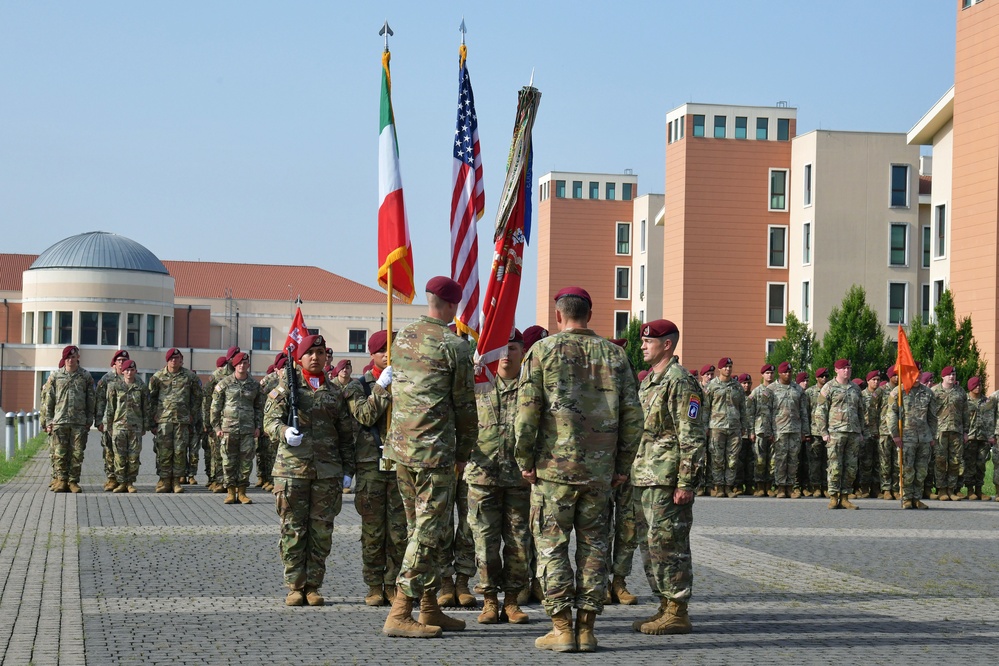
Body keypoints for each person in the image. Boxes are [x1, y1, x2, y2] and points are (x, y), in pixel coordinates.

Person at [515, 286, 642, 653]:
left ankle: (561, 628)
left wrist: (524, 461)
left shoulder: (542, 351)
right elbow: (634, 417)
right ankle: (586, 629)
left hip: (553, 472)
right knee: (594, 548)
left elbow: (526, 416)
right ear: (590, 313)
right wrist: (621, 466)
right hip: (599, 473)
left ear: (558, 316)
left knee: (552, 548)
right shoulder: (616, 356)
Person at [381, 276, 477, 639]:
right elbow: (465, 406)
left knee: (419, 531)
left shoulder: (403, 336)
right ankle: (400, 611)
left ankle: (429, 608)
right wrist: (465, 451)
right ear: (452, 306)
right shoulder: (455, 345)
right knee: (428, 532)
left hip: (402, 450)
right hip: (434, 452)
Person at [264, 334, 354, 606]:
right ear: (298, 358)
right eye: (309, 353)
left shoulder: (335, 392)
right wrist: (283, 432)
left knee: (321, 531)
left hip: (327, 473)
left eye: (320, 352)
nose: (315, 357)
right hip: (292, 471)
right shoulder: (285, 387)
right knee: (292, 530)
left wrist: (348, 468)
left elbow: (345, 432)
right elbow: (269, 421)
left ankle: (313, 585)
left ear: (327, 357)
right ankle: (294, 585)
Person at [630, 319, 705, 636]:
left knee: (670, 546)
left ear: (668, 344)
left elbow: (693, 436)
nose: (644, 345)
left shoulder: (681, 382)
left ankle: (678, 610)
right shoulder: (649, 381)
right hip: (645, 477)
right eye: (644, 341)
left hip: (667, 479)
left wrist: (686, 483)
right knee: (650, 546)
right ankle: (664, 604)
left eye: (650, 341)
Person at [466, 328, 531, 625]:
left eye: (513, 349)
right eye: (501, 350)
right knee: (485, 542)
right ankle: (489, 600)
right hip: (482, 476)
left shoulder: (532, 388)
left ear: (523, 353)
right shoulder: (479, 385)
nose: (506, 355)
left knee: (518, 543)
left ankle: (513, 601)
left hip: (520, 478)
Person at [342, 330, 407, 607]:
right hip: (370, 467)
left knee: (399, 531)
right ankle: (373, 585)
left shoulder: (404, 382)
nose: (387, 355)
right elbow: (366, 415)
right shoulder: (358, 387)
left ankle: (393, 584)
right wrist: (381, 386)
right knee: (372, 532)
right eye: (382, 350)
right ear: (372, 354)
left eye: (392, 349)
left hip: (400, 465)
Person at [212, 351, 265, 505]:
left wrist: (258, 426)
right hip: (228, 429)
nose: (242, 365)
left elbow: (259, 408)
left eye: (245, 363)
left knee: (246, 462)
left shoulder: (254, 385)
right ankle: (230, 492)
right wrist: (216, 427)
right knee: (228, 461)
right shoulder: (224, 384)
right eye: (239, 363)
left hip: (248, 430)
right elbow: (215, 407)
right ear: (234, 365)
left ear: (248, 365)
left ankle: (242, 492)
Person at [148, 348, 203, 494]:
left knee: (179, 451)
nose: (174, 360)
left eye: (177, 358)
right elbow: (150, 400)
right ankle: (165, 480)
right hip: (164, 420)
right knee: (164, 452)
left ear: (181, 359)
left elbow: (198, 397)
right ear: (167, 360)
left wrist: (192, 414)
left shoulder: (190, 377)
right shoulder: (158, 377)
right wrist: (152, 421)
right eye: (171, 358)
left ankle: (177, 481)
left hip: (182, 420)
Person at [42, 345, 96, 493]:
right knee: (60, 453)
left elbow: (91, 400)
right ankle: (61, 480)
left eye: (73, 357)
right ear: (64, 359)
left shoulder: (85, 376)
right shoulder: (56, 376)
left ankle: (73, 481)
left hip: (79, 421)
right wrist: (48, 420)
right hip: (60, 421)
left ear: (78, 357)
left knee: (77, 453)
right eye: (68, 357)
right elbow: (49, 400)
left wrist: (89, 419)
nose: (70, 360)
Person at [815, 359, 866, 509]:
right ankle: (833, 496)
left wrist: (861, 431)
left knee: (851, 467)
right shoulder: (828, 387)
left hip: (853, 432)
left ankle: (845, 497)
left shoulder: (855, 388)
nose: (846, 371)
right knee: (835, 466)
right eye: (843, 368)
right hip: (835, 433)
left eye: (849, 368)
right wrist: (823, 432)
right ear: (836, 370)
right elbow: (820, 411)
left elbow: (861, 412)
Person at [886, 373, 938, 509]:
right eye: (913, 373)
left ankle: (917, 498)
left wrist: (932, 435)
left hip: (924, 437)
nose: (916, 377)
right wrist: (896, 435)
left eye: (918, 374)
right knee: (907, 469)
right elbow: (891, 414)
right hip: (906, 437)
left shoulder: (928, 393)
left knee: (921, 470)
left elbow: (932, 417)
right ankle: (907, 498)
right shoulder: (898, 392)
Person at [703, 357, 746, 498]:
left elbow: (743, 409)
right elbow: (706, 408)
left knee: (733, 459)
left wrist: (744, 426)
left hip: (734, 427)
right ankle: (719, 487)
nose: (728, 369)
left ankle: (729, 487)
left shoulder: (737, 387)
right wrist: (705, 426)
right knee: (717, 458)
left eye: (730, 366)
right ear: (720, 369)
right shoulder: (712, 386)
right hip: (717, 427)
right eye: (725, 367)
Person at [104, 359, 148, 493]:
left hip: (135, 427)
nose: (129, 373)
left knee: (133, 457)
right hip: (119, 427)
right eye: (127, 370)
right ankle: (121, 482)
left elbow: (145, 408)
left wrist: (145, 426)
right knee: (119, 456)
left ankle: (130, 483)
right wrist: (109, 425)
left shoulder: (141, 387)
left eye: (132, 370)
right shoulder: (114, 386)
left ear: (135, 371)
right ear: (122, 371)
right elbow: (110, 407)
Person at [769, 362, 809, 498]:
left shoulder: (798, 389)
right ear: (779, 373)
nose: (788, 374)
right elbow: (765, 412)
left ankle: (790, 487)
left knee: (793, 459)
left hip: (795, 429)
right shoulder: (771, 389)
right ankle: (780, 487)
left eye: (790, 372)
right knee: (780, 459)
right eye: (785, 372)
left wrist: (805, 431)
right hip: (778, 429)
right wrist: (769, 431)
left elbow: (803, 411)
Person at [932, 366, 969, 501]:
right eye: (949, 375)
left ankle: (951, 489)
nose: (952, 377)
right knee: (940, 460)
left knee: (955, 461)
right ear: (943, 377)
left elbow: (965, 412)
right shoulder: (934, 391)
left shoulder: (960, 392)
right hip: (939, 431)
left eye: (953, 374)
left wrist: (966, 431)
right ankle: (941, 489)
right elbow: (930, 413)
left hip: (956, 430)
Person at [95, 350, 129, 491]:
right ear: (114, 363)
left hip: (127, 424)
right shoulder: (106, 379)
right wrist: (99, 421)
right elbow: (99, 401)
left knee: (127, 453)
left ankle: (125, 480)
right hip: (109, 423)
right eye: (119, 360)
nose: (121, 363)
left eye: (124, 360)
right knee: (109, 451)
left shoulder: (132, 378)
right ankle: (111, 478)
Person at [202, 354, 231, 492]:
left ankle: (230, 482)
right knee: (215, 452)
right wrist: (207, 422)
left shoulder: (241, 376)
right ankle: (215, 479)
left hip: (233, 421)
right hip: (218, 420)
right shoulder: (215, 378)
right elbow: (207, 400)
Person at [964, 377, 995, 500]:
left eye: (979, 385)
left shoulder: (987, 401)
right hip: (970, 436)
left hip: (983, 437)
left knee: (981, 464)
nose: (978, 387)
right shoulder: (965, 400)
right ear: (970, 386)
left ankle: (979, 490)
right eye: (975, 385)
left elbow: (990, 419)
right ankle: (970, 490)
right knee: (969, 464)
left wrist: (991, 435)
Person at [749, 364, 776, 496]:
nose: (769, 375)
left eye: (771, 373)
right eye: (767, 373)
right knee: (759, 459)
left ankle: (769, 486)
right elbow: (750, 413)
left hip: (774, 430)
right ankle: (759, 486)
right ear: (762, 375)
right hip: (760, 429)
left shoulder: (776, 391)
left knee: (772, 460)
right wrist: (751, 431)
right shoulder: (756, 392)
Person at [857, 370, 883, 498]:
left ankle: (876, 488)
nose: (876, 382)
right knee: (866, 462)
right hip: (866, 432)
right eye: (874, 379)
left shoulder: (882, 395)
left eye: (878, 379)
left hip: (880, 432)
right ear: (868, 381)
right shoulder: (861, 396)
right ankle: (865, 487)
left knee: (878, 462)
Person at [804, 368, 830, 497]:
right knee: (814, 461)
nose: (824, 378)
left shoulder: (831, 390)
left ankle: (826, 486)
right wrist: (806, 432)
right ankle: (815, 486)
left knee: (828, 461)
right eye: (822, 376)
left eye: (826, 376)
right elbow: (805, 413)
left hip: (829, 431)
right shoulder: (809, 392)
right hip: (814, 432)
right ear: (817, 378)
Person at [878, 367, 901, 499]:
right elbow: (873, 410)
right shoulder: (881, 391)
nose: (897, 378)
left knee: (898, 462)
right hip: (884, 431)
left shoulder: (902, 390)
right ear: (889, 376)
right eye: (895, 375)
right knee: (885, 461)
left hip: (899, 431)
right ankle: (886, 489)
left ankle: (896, 488)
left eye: (899, 375)